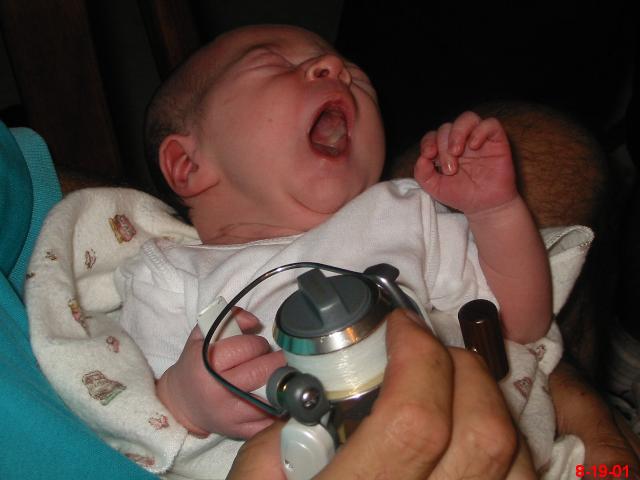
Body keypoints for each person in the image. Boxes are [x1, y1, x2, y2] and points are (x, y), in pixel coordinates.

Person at [116, 22, 562, 475]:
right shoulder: (168, 274)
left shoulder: (401, 212)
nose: (336, 68)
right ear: (188, 164)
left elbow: (520, 324)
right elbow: (127, 418)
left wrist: (495, 211)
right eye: (273, 63)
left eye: (355, 74)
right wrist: (184, 402)